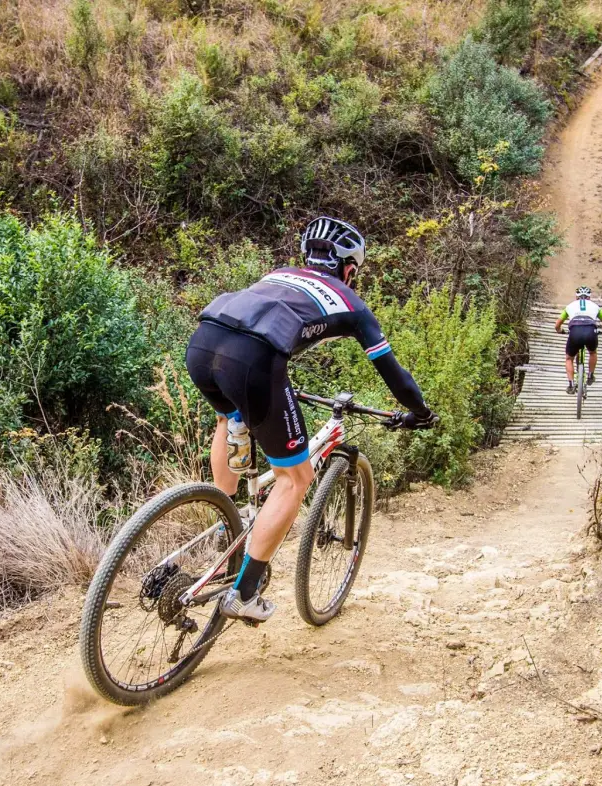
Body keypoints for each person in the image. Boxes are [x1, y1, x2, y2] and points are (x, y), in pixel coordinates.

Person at [185, 216, 437, 624]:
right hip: (253, 362)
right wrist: (421, 412)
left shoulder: (280, 275)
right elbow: (395, 376)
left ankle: (225, 521)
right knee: (295, 478)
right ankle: (244, 594)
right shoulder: (352, 304)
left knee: (228, 419)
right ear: (350, 269)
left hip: (204, 341)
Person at [554, 286, 602, 394]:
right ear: (589, 297)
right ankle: (590, 375)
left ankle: (571, 385)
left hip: (575, 332)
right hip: (591, 332)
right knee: (593, 352)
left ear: (576, 297)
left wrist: (559, 331)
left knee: (569, 358)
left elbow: (557, 324)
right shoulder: (595, 306)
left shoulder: (570, 306)